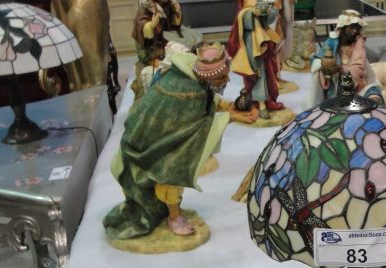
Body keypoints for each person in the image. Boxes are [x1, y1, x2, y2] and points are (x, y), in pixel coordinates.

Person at [104, 43, 230, 240]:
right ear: (207, 75)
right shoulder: (187, 91)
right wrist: (229, 117)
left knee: (172, 174)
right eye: (221, 77)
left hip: (160, 140)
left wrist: (225, 107)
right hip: (153, 147)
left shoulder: (189, 80)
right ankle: (174, 217)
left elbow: (200, 108)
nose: (226, 80)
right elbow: (195, 125)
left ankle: (171, 212)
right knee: (172, 174)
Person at [304, 10, 383, 108]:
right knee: (318, 77)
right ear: (343, 26)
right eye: (351, 27)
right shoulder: (332, 42)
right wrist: (323, 66)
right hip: (335, 85)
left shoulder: (358, 43)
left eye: (356, 28)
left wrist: (341, 69)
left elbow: (358, 69)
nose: (354, 31)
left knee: (373, 94)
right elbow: (316, 59)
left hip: (356, 87)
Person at [226, 0, 286, 119]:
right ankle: (259, 103)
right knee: (256, 72)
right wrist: (251, 13)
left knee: (263, 72)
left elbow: (271, 17)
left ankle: (262, 103)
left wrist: (269, 11)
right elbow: (240, 17)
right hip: (249, 42)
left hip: (263, 41)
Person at [131, 0, 183, 98]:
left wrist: (177, 11)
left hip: (160, 41)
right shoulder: (145, 8)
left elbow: (172, 24)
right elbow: (141, 25)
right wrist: (151, 25)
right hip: (147, 47)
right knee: (161, 68)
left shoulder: (166, 5)